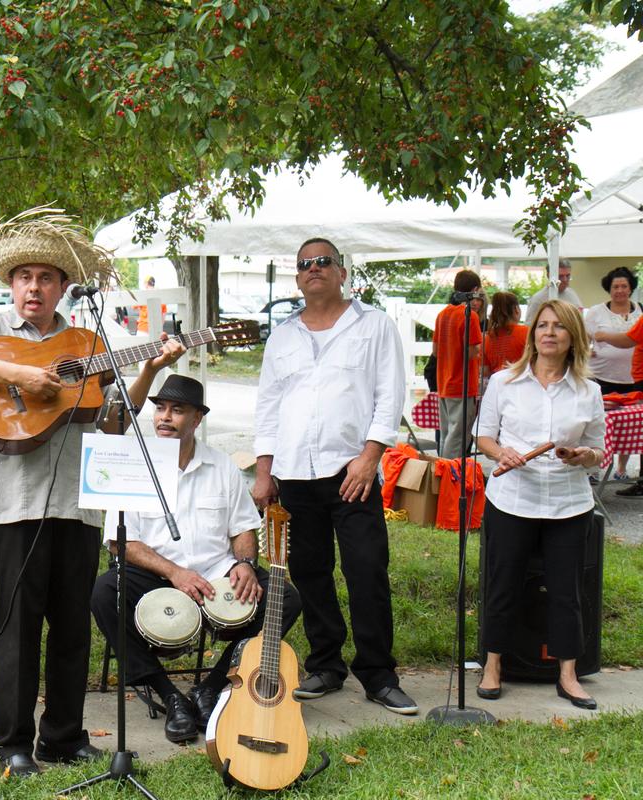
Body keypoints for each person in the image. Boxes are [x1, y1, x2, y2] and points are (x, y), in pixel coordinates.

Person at [0, 208, 184, 776]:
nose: (34, 287)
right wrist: (19, 377)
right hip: (11, 504)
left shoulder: (87, 340)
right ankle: (12, 743)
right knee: (16, 628)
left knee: (71, 627)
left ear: (64, 286)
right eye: (24, 277)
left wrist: (149, 370)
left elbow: (115, 421)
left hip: (76, 503)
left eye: (46, 277)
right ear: (10, 282)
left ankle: (64, 737)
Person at [252, 237, 417, 715]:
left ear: (342, 272)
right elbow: (268, 406)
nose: (314, 268)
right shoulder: (283, 336)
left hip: (351, 470)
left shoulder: (374, 325)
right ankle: (325, 665)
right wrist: (264, 472)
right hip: (293, 473)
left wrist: (370, 456)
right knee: (309, 573)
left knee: (366, 569)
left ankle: (378, 674)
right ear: (297, 277)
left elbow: (389, 395)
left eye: (324, 261)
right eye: (305, 264)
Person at [90, 375, 302, 743]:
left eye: (177, 410)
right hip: (156, 575)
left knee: (285, 598)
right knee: (104, 593)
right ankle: (169, 695)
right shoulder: (135, 463)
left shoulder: (221, 466)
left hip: (217, 575)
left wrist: (245, 564)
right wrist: (175, 572)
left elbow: (243, 528)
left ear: (197, 418)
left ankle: (212, 687)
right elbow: (121, 544)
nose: (164, 417)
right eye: (160, 408)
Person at [475, 300, 604, 710]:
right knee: (503, 585)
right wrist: (503, 453)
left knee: (567, 592)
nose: (549, 333)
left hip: (569, 504)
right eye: (542, 325)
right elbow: (483, 436)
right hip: (513, 499)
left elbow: (599, 450)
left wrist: (583, 456)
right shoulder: (504, 382)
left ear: (573, 337)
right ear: (532, 335)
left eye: (559, 327)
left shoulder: (589, 391)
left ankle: (568, 675)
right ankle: (492, 665)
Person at [583, 267, 641, 481]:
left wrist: (604, 336)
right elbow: (582, 337)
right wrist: (586, 350)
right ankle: (594, 468)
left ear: (631, 288)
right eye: (615, 286)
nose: (620, 290)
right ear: (609, 289)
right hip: (602, 377)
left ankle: (622, 469)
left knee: (632, 425)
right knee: (598, 423)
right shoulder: (596, 312)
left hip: (633, 379)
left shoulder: (640, 310)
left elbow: (629, 341)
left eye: (624, 286)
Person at [434, 270, 483, 458]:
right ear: (475, 289)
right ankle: (450, 473)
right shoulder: (469, 315)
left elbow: (436, 351)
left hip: (444, 382)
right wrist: (480, 350)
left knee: (446, 435)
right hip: (463, 384)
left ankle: (441, 470)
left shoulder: (442, 314)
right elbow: (471, 352)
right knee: (458, 438)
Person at [482, 292, 528, 379]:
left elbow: (485, 371)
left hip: (497, 383)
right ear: (516, 309)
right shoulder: (526, 332)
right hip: (520, 381)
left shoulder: (488, 338)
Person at [524, 259, 582, 325]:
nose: (565, 280)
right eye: (560, 276)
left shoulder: (572, 294)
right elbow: (529, 326)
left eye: (568, 276)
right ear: (549, 275)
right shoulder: (538, 299)